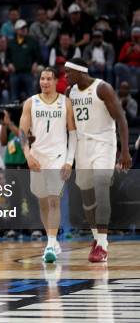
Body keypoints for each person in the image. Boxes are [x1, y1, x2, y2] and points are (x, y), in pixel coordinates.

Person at [66, 57, 132, 263]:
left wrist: (124, 151)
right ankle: (96, 239)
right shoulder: (70, 92)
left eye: (69, 72)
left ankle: (103, 245)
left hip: (104, 144)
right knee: (87, 197)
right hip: (82, 146)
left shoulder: (103, 89)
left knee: (101, 186)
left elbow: (121, 118)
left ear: (80, 72)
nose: (66, 76)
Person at [19, 68, 76, 263]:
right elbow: (22, 133)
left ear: (55, 81)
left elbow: (73, 134)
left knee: (54, 200)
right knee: (42, 202)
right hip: (37, 158)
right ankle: (52, 240)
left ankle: (51, 243)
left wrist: (69, 161)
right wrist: (28, 156)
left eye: (49, 79)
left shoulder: (65, 102)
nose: (45, 82)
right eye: (42, 79)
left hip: (58, 157)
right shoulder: (30, 103)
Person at [6, 19, 42, 101]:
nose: (24, 30)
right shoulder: (11, 43)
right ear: (16, 30)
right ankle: (15, 113)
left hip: (28, 72)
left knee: (32, 96)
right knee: (14, 97)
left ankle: (33, 112)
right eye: (22, 28)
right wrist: (9, 64)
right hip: (15, 73)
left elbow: (39, 56)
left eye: (25, 28)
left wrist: (35, 63)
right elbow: (7, 58)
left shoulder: (32, 41)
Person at [114, 26, 140, 91]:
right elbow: (120, 59)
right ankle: (120, 91)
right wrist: (127, 53)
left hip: (138, 67)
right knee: (118, 66)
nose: (136, 39)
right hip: (127, 67)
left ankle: (135, 92)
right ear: (131, 36)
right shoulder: (127, 45)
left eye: (137, 37)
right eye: (134, 37)